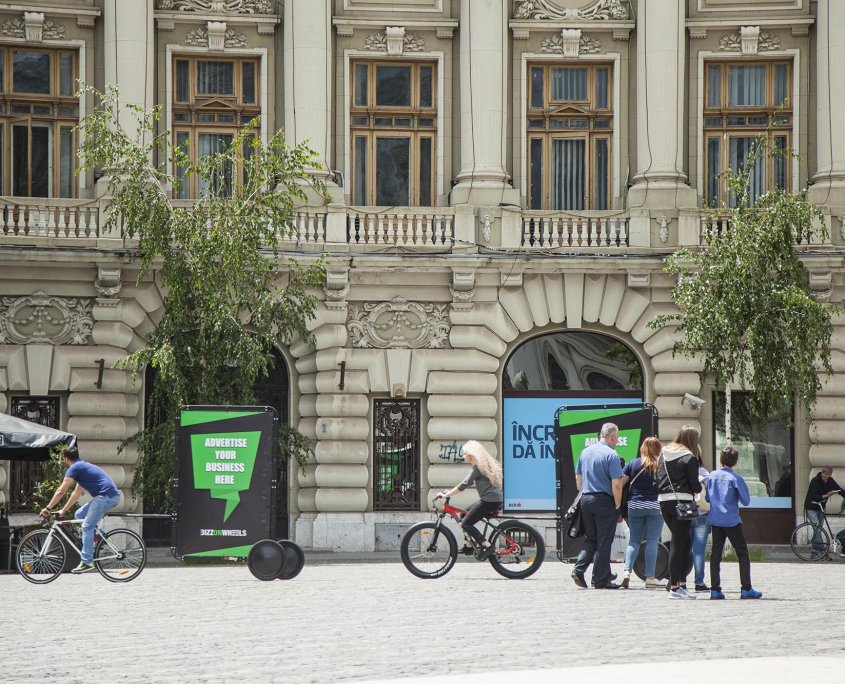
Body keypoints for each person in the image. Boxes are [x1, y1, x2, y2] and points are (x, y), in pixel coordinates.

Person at [39, 446, 121, 573]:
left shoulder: (75, 468)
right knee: (79, 514)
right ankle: (101, 538)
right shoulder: (82, 468)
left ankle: (87, 562)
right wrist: (64, 510)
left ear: (66, 459)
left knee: (87, 526)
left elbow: (61, 490)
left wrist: (48, 508)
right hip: (108, 496)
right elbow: (75, 494)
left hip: (106, 497)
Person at [571, 423, 625, 590]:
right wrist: (617, 504)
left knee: (591, 538)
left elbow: (578, 480)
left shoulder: (585, 452)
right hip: (604, 501)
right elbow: (616, 484)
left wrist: (587, 492)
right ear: (613, 437)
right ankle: (600, 580)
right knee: (604, 541)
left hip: (586, 499)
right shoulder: (612, 454)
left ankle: (578, 569)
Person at [706, 445, 762, 599]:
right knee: (742, 553)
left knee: (715, 555)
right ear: (736, 462)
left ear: (720, 459)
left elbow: (707, 498)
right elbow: (746, 501)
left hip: (716, 520)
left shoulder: (711, 476)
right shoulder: (736, 478)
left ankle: (715, 589)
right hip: (731, 520)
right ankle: (746, 588)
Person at [653, 425, 702, 600]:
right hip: (682, 503)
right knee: (678, 545)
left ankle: (680, 584)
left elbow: (656, 480)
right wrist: (701, 486)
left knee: (684, 542)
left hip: (664, 503)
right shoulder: (689, 457)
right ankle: (674, 587)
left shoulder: (663, 454)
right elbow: (695, 486)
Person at [437, 440, 503, 559]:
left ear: (471, 455)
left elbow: (464, 484)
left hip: (489, 501)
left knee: (465, 524)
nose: (463, 456)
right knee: (464, 515)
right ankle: (469, 546)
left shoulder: (478, 468)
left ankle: (487, 545)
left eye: (464, 453)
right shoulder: (483, 465)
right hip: (493, 500)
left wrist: (447, 495)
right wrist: (449, 492)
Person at [620, 437, 665, 589]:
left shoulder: (633, 463)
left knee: (634, 541)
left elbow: (620, 483)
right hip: (655, 506)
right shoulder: (662, 464)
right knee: (652, 541)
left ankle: (626, 572)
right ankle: (650, 577)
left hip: (635, 505)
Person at [803, 465, 845, 557]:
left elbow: (841, 491)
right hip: (811, 507)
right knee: (817, 530)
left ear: (830, 475)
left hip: (821, 508)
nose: (824, 475)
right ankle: (823, 552)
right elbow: (814, 496)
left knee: (818, 530)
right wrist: (827, 495)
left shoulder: (831, 481)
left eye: (826, 474)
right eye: (823, 473)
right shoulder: (815, 481)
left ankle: (814, 552)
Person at [689, 450, 711, 593]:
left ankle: (680, 580)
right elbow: (710, 494)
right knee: (698, 551)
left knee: (685, 549)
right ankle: (699, 582)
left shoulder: (682, 472)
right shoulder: (704, 473)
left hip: (685, 514)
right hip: (702, 515)